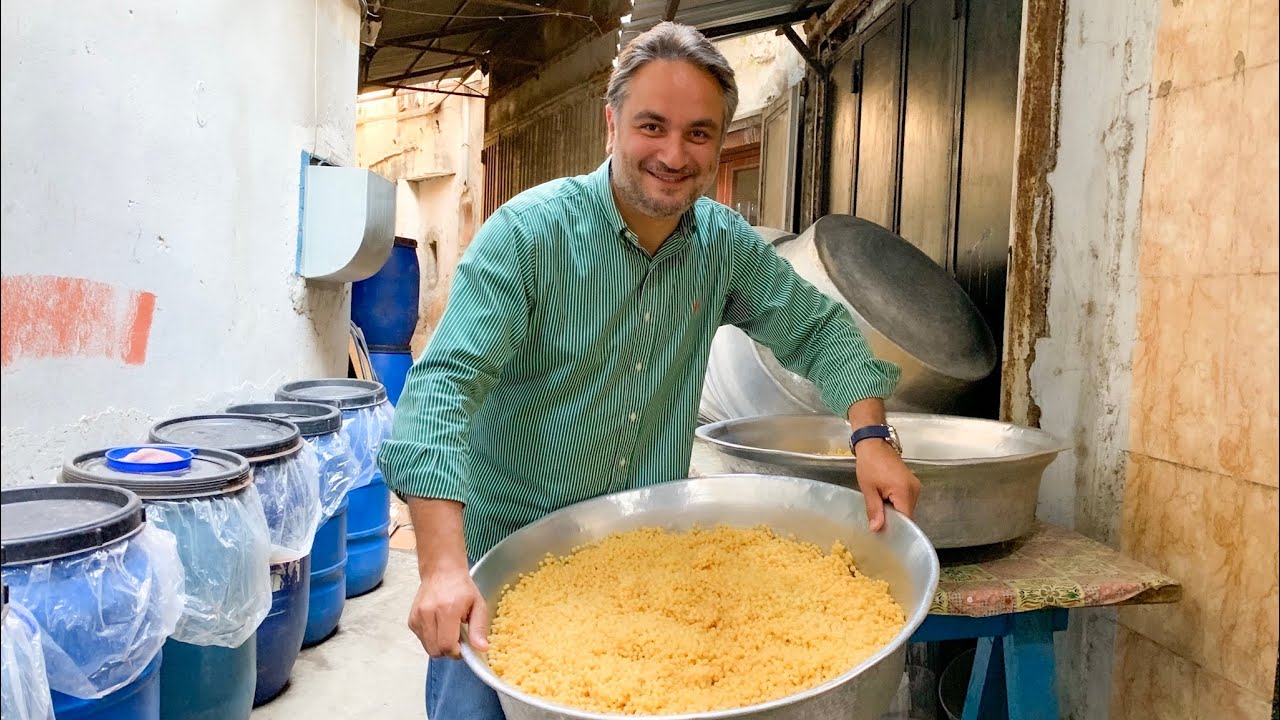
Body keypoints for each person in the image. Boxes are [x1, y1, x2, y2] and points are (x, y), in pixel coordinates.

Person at [377, 20, 922, 719]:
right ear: (611, 124)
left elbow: (818, 328)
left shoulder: (721, 244)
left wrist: (871, 437)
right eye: (652, 126)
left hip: (645, 571)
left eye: (699, 133)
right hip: (508, 572)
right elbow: (442, 389)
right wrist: (444, 567)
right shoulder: (528, 237)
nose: (674, 153)